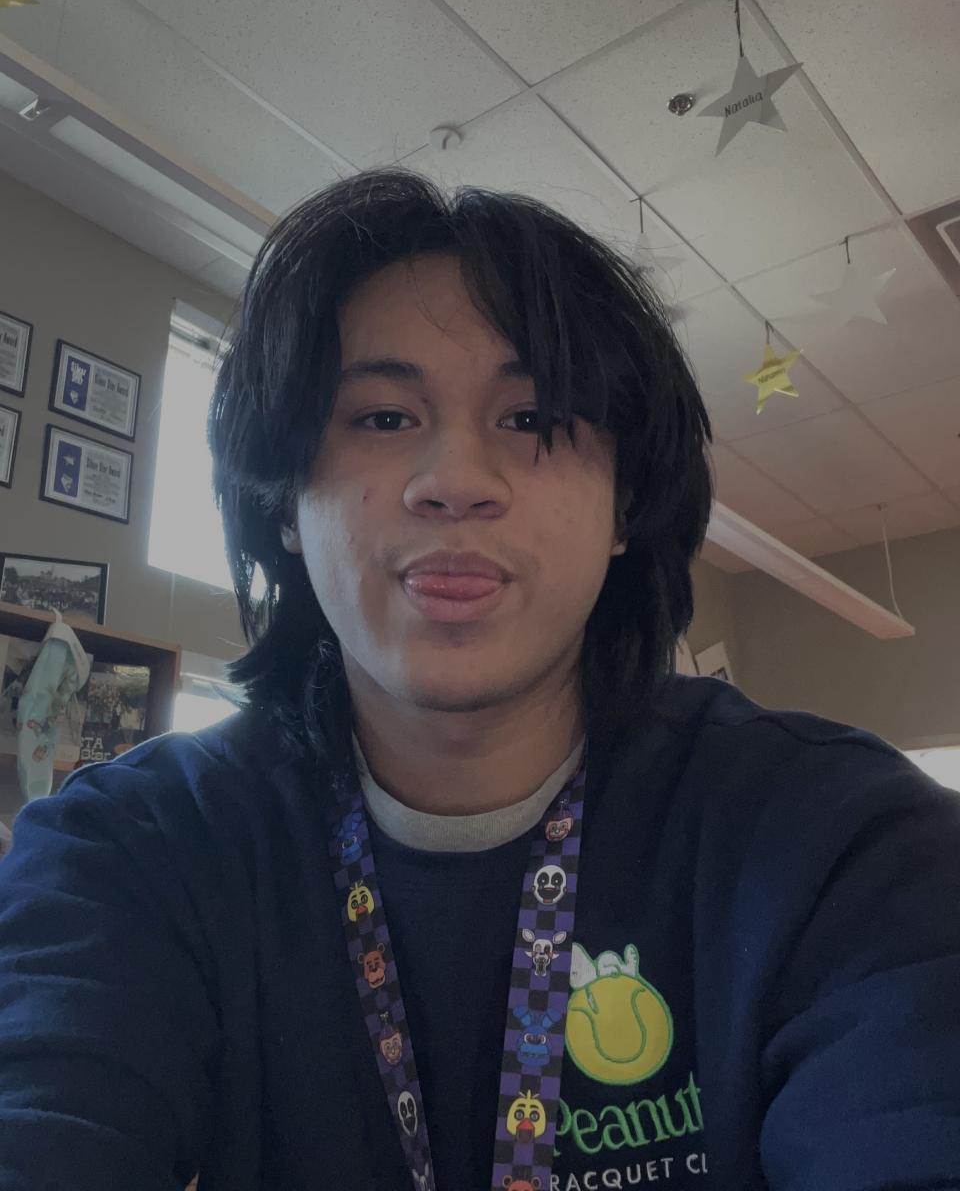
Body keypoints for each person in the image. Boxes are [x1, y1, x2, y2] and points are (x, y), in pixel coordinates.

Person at [0, 170, 958, 1191]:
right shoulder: (129, 852)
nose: (455, 481)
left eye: (532, 416)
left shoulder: (843, 842)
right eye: (381, 417)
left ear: (625, 503)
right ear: (283, 503)